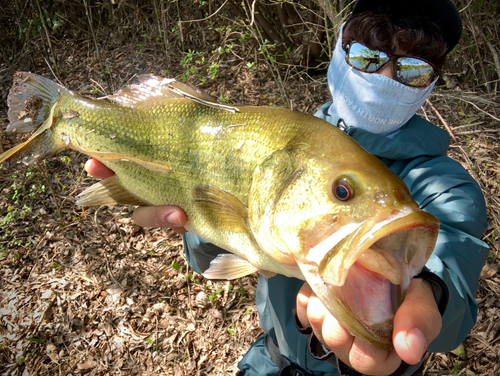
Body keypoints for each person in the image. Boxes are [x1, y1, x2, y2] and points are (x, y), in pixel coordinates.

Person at [86, 0, 489, 375]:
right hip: (267, 361)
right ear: (338, 54)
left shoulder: (447, 187)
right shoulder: (275, 138)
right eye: (368, 56)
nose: (386, 78)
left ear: (432, 83)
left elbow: (450, 271)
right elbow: (211, 256)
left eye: (413, 69)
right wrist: (195, 226)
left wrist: (431, 293)